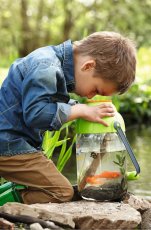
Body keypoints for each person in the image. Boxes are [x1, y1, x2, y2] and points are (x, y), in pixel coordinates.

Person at [0, 31, 136, 204]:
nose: (90, 97)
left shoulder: (52, 64)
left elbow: (47, 102)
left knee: (55, 185)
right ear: (88, 66)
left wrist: (83, 109)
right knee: (61, 192)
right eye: (96, 90)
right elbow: (36, 114)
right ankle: (6, 206)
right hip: (8, 145)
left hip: (14, 142)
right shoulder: (46, 66)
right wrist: (80, 109)